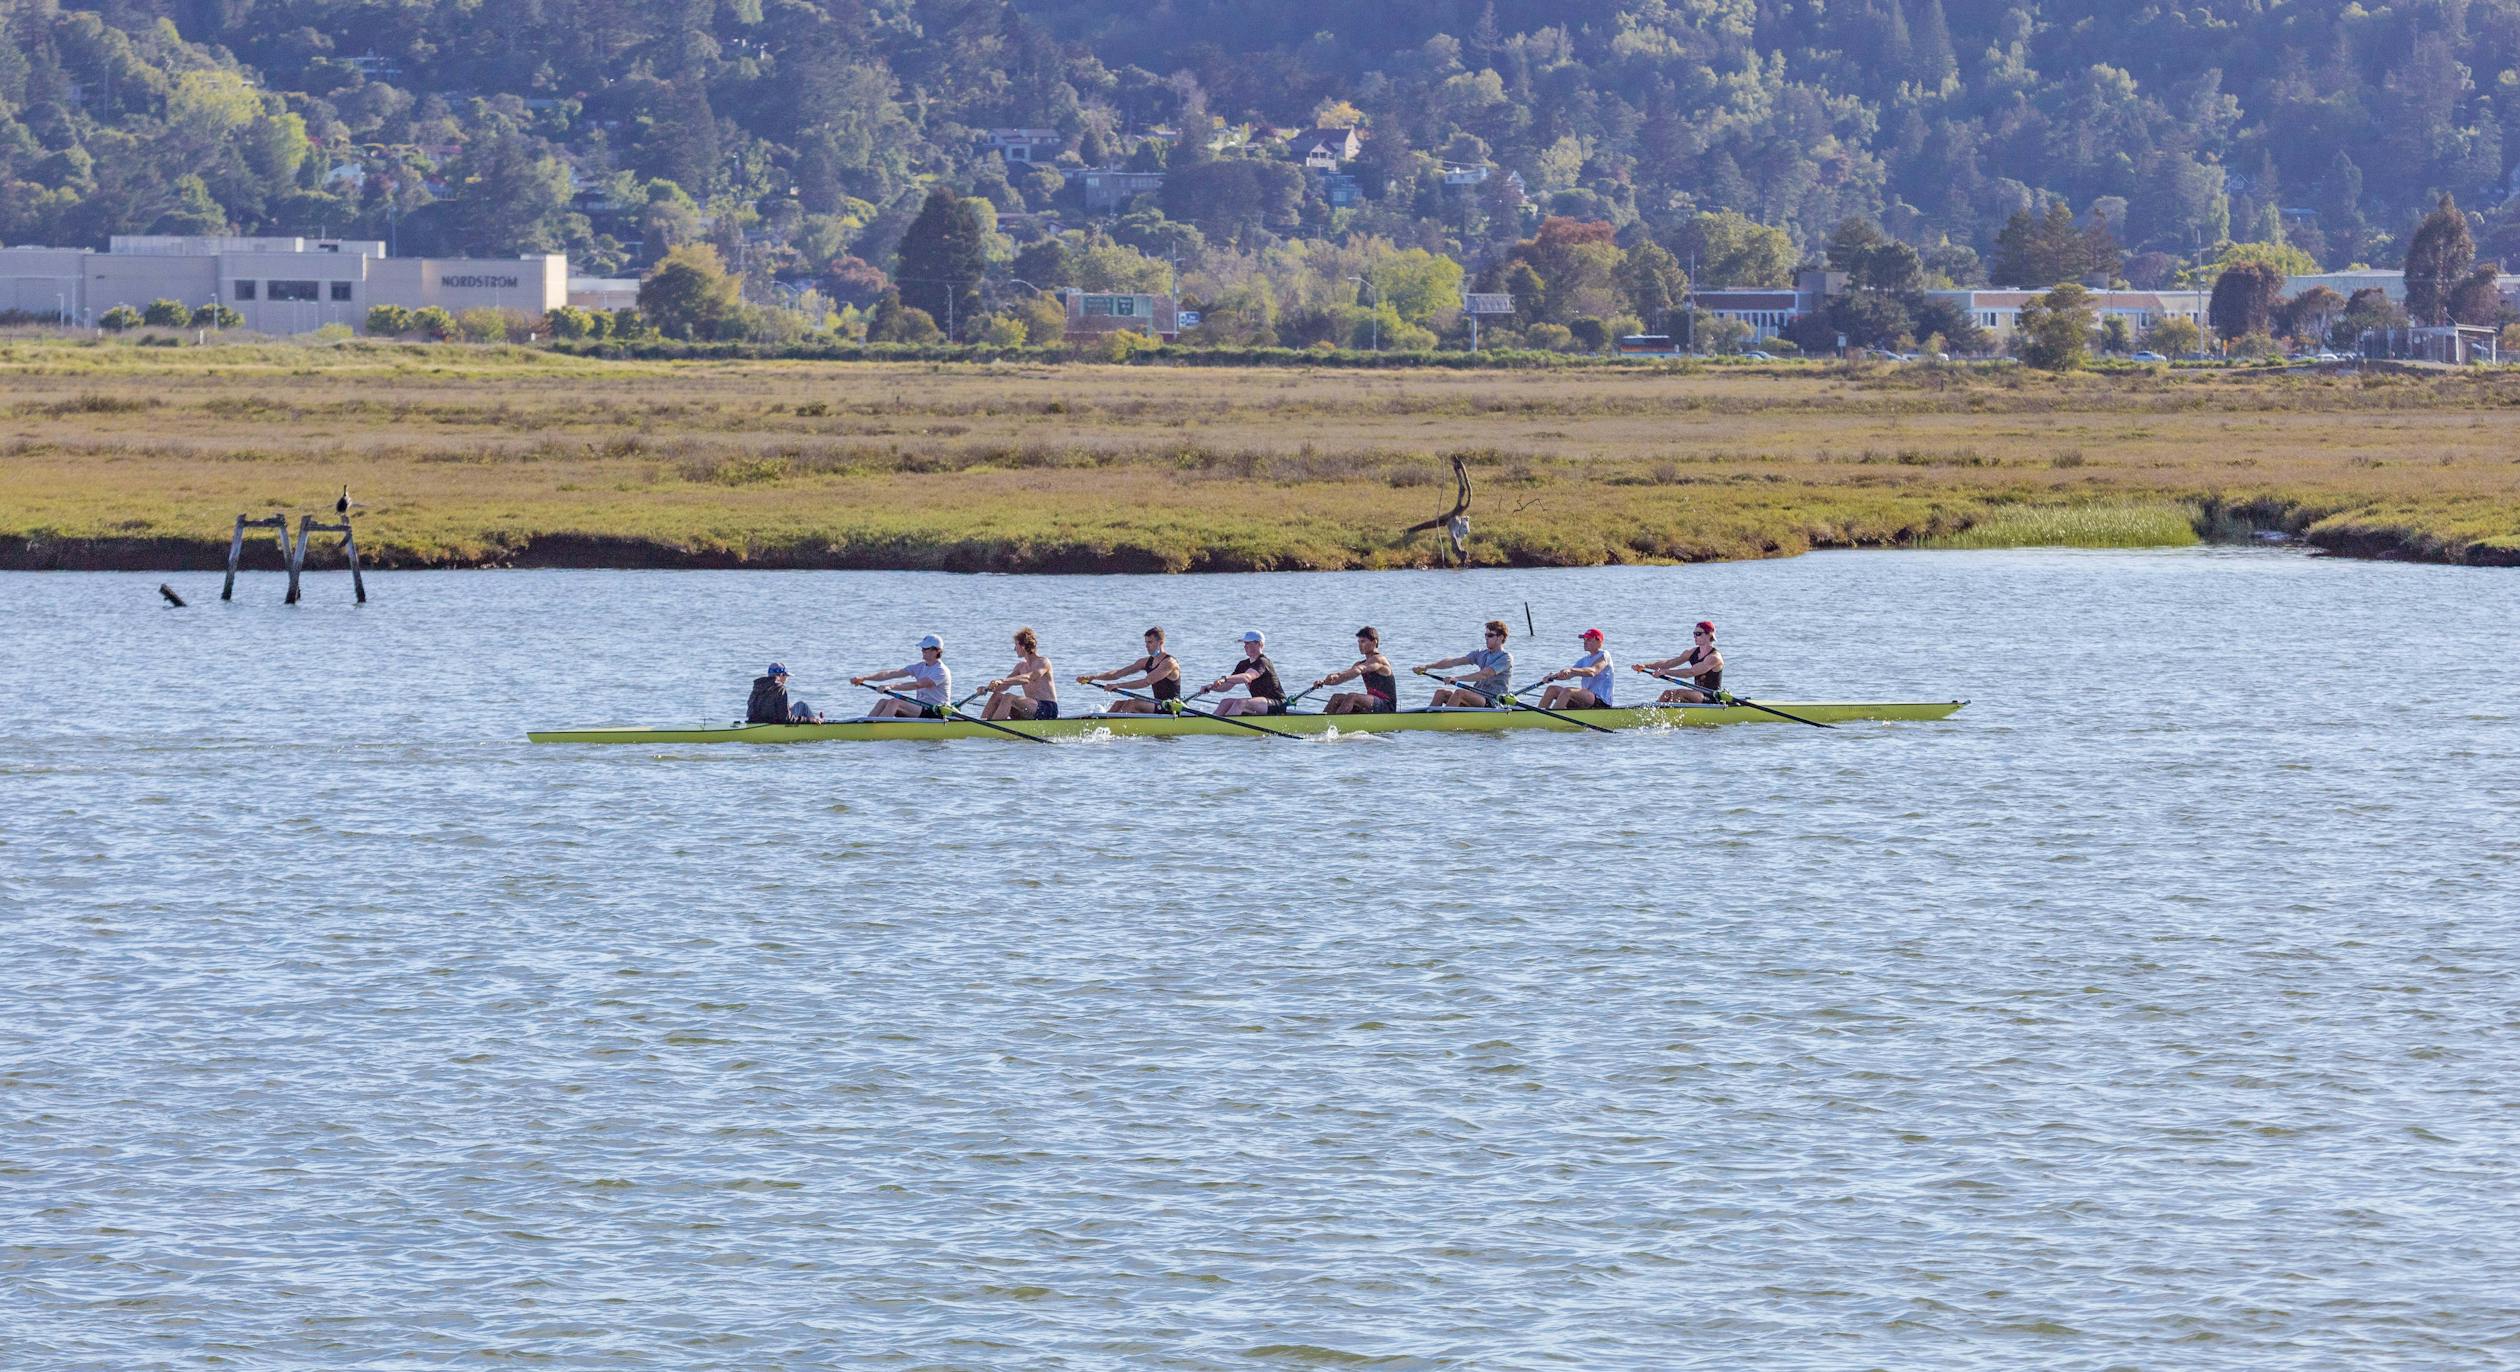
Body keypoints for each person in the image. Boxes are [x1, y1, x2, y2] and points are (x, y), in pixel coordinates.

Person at [1076, 627, 1181, 713]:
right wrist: (1094, 677)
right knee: (1118, 704)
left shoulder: (1169, 663)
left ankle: (1113, 727)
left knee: (1132, 704)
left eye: (1150, 642)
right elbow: (1118, 673)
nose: (1146, 646)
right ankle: (1101, 725)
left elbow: (1146, 682)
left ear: (1160, 643)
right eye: (1145, 642)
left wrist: (1118, 685)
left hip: (1171, 707)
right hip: (1157, 704)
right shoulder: (1145, 662)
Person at [1414, 620, 1516, 707]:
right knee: (1440, 693)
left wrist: (1456, 678)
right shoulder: (1481, 653)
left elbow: (1484, 674)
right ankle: (1428, 719)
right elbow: (1453, 662)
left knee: (1460, 693)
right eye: (1485, 635)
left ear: (1501, 637)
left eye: (1490, 635)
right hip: (1477, 697)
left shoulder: (1505, 658)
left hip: (1493, 701)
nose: (1486, 638)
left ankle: (1444, 720)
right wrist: (1427, 666)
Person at [853, 634, 951, 718]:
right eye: (922, 648)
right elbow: (891, 674)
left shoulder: (941, 670)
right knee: (882, 702)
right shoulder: (919, 667)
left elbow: (918, 685)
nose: (922, 650)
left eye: (926, 648)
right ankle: (865, 726)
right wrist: (864, 678)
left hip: (936, 711)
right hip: (921, 708)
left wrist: (890, 686)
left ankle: (877, 729)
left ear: (937, 651)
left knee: (895, 702)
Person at [1314, 627, 1399, 714]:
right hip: (1371, 705)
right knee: (1336, 698)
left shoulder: (1379, 659)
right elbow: (1343, 677)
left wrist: (1338, 675)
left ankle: (1336, 721)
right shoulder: (1360, 663)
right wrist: (1323, 682)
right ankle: (1322, 721)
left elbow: (1358, 670)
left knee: (1352, 697)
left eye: (1363, 641)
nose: (1360, 645)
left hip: (1386, 706)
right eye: (1359, 642)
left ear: (1374, 642)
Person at [1635, 621, 1724, 703]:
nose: (1694, 636)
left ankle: (1670, 713)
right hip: (1697, 694)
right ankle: (1652, 711)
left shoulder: (1714, 657)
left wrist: (1665, 672)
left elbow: (1690, 672)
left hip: (1711, 697)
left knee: (1679, 693)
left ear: (1709, 634)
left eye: (1698, 634)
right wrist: (1644, 665)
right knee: (1667, 693)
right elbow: (1669, 663)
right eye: (1694, 634)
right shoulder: (1691, 652)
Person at [982, 627, 1060, 720]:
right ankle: (980, 724)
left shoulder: (1043, 662)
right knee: (997, 696)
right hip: (1031, 709)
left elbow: (1029, 678)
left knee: (1008, 697)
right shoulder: (1020, 667)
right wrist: (987, 688)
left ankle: (992, 725)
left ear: (1023, 646)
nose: (1014, 649)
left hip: (1048, 709)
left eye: (1016, 644)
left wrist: (1002, 681)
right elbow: (1003, 686)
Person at [1203, 630, 1285, 716]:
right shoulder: (1243, 664)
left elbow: (1247, 677)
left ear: (1259, 644)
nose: (1245, 646)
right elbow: (1227, 685)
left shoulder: (1263, 662)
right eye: (1245, 643)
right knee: (1225, 702)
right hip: (1260, 704)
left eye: (1248, 643)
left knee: (1240, 703)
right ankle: (1209, 723)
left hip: (1277, 704)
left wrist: (1224, 678)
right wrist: (1211, 687)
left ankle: (1225, 723)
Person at [1537, 628, 1616, 710]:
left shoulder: (1604, 655)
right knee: (1551, 689)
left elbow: (1593, 671)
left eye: (1588, 639)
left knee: (1568, 691)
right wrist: (1552, 677)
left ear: (1599, 641)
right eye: (1584, 639)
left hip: (1601, 702)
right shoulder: (1584, 660)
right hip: (1586, 699)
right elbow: (1568, 675)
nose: (1585, 642)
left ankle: (1552, 716)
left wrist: (1571, 670)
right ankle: (1538, 715)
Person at [746, 662, 823, 724]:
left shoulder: (757, 687)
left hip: (754, 721)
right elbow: (786, 719)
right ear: (781, 675)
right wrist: (808, 720)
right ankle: (817, 723)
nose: (787, 678)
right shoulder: (780, 688)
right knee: (802, 706)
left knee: (794, 707)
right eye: (786, 676)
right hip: (774, 723)